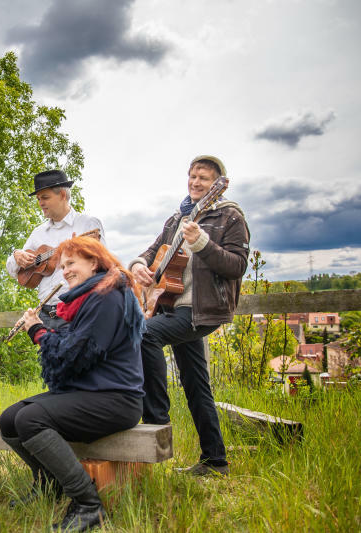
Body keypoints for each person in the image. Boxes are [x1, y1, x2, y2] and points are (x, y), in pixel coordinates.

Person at [0, 236, 146, 533]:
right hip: (92, 391)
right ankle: (48, 484)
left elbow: (74, 354)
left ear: (94, 262)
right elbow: (71, 338)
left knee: (30, 419)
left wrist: (38, 332)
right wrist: (42, 327)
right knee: (10, 419)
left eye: (71, 263)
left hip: (117, 398)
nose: (64, 271)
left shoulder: (108, 297)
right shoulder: (90, 296)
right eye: (63, 265)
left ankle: (88, 505)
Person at [128, 155, 250, 476]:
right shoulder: (176, 220)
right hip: (172, 305)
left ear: (218, 186)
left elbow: (237, 265)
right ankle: (216, 461)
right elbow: (150, 252)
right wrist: (139, 265)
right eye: (193, 176)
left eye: (204, 178)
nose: (196, 182)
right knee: (197, 385)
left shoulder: (230, 217)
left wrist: (203, 243)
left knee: (144, 333)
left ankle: (155, 421)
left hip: (203, 310)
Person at [6, 170, 105, 330]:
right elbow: (13, 271)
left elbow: (103, 267)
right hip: (46, 315)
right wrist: (17, 255)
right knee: (46, 355)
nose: (40, 203)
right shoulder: (38, 233)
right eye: (38, 199)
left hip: (79, 311)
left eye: (45, 197)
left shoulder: (87, 224)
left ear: (63, 195)